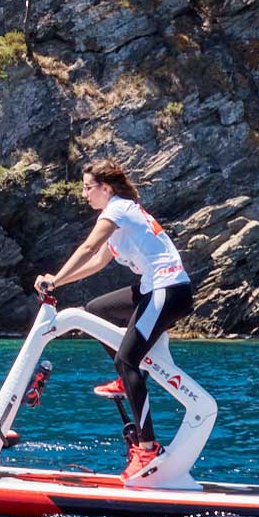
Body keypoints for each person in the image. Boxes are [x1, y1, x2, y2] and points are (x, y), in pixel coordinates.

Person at [34, 159, 193, 478]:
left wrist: (54, 278)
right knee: (97, 310)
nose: (84, 194)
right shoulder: (117, 216)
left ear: (106, 188)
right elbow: (96, 262)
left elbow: (87, 247)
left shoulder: (118, 210)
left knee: (127, 360)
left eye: (88, 187)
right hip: (152, 289)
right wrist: (57, 283)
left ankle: (147, 448)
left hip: (169, 290)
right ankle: (127, 378)